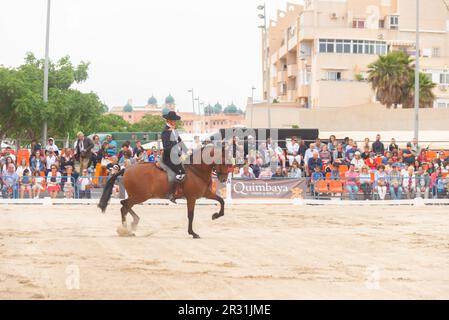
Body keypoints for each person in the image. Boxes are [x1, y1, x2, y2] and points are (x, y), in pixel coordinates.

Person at [161, 111, 188, 203]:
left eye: (175, 120)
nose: (175, 122)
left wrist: (187, 151)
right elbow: (167, 147)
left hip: (177, 156)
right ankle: (171, 193)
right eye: (174, 120)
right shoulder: (165, 132)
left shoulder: (174, 131)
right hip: (169, 157)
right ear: (169, 120)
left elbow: (180, 142)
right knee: (180, 173)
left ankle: (182, 191)